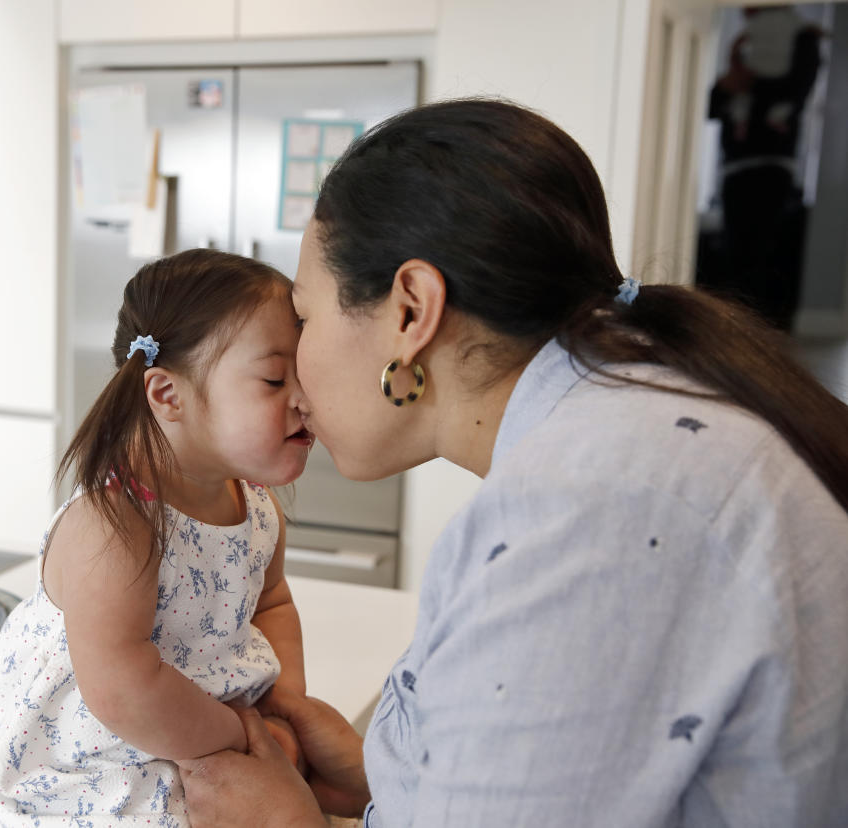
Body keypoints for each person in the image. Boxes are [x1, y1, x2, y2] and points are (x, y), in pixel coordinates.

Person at [176, 99, 848, 827]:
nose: (295, 377)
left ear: (411, 310)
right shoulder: (625, 414)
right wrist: (384, 780)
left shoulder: (593, 516)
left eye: (305, 319)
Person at [0, 249, 315, 826]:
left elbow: (273, 601)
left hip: (194, 737)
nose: (304, 400)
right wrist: (240, 735)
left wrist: (285, 704)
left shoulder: (255, 508)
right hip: (92, 772)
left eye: (306, 377)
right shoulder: (115, 526)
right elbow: (122, 691)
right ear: (167, 394)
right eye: (274, 379)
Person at [704, 6, 825, 331]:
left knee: (761, 256)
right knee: (737, 257)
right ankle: (736, 333)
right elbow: (711, 107)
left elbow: (795, 92)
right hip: (735, 169)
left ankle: (758, 337)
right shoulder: (746, 45)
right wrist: (731, 83)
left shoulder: (801, 41)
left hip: (772, 168)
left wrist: (747, 85)